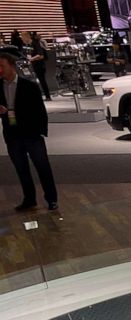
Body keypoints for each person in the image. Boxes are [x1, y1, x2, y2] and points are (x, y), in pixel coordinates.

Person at [0, 52, 58, 211]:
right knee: (21, 169)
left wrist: (40, 132)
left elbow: (40, 111)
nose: (0, 70)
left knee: (42, 167)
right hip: (12, 135)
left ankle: (51, 198)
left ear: (11, 66)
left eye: (2, 66)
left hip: (31, 134)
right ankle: (29, 199)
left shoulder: (29, 86)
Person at [27, 31, 50, 101]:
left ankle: (47, 96)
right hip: (38, 65)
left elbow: (41, 55)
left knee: (42, 81)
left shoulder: (37, 43)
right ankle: (46, 96)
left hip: (40, 65)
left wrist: (31, 59)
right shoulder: (32, 44)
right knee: (40, 81)